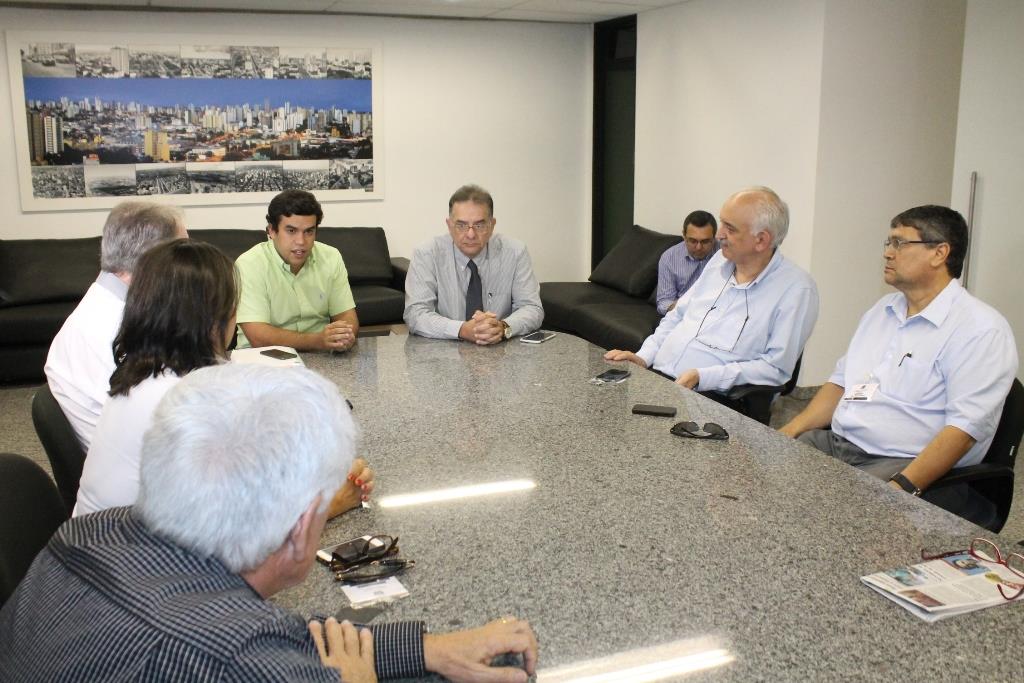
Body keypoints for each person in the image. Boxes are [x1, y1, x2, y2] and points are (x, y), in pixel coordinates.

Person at [0, 363, 539, 683]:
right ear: (306, 525)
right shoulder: (240, 659)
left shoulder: (89, 533)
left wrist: (431, 649)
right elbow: (257, 650)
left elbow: (277, 636)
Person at [73, 239, 374, 519]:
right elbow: (250, 522)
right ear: (214, 318)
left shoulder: (143, 372)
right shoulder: (184, 402)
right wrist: (335, 500)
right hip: (135, 561)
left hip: (102, 545)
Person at [779, 205, 1017, 509]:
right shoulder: (882, 310)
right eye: (888, 243)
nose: (888, 253)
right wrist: (790, 431)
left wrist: (901, 486)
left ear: (939, 253)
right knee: (767, 475)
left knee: (821, 512)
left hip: (901, 463)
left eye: (900, 243)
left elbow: (964, 430)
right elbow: (840, 384)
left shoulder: (981, 330)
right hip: (838, 444)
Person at [605, 187, 818, 395]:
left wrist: (704, 377)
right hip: (658, 379)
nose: (719, 235)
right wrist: (643, 357)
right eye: (722, 223)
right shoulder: (718, 262)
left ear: (761, 240)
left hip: (710, 398)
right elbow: (677, 315)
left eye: (730, 228)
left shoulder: (796, 289)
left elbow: (775, 369)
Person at [44, 201, 187, 451]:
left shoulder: (109, 305)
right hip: (141, 469)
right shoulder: (115, 330)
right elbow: (168, 427)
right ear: (152, 259)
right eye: (183, 253)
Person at [404, 184, 543, 344]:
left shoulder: (515, 252)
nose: (470, 234)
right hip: (443, 354)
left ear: (492, 225)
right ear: (449, 225)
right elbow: (415, 314)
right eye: (461, 225)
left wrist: (503, 327)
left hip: (500, 353)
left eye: (479, 225)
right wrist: (462, 329)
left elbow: (532, 308)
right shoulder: (427, 254)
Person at [235, 189, 360, 351]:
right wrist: (317, 341)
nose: (301, 241)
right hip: (262, 359)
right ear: (271, 231)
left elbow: (346, 316)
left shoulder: (331, 257)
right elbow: (258, 337)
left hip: (319, 356)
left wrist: (344, 335)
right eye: (291, 231)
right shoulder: (249, 264)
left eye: (309, 231)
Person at [656, 210, 719, 314]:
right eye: (693, 241)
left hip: (715, 312)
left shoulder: (726, 253)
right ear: (684, 236)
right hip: (682, 312)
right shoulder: (669, 258)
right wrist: (685, 307)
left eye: (705, 241)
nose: (699, 247)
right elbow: (664, 302)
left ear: (714, 237)